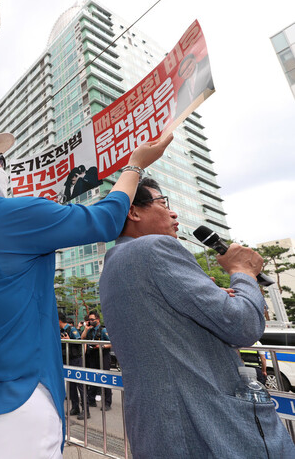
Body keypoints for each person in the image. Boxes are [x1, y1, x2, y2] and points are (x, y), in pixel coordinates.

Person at [0, 125, 172, 458]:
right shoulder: (6, 216)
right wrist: (134, 165)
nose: (3, 169)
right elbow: (106, 219)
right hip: (18, 409)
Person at [99, 177, 295, 458]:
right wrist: (243, 273)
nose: (173, 212)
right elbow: (243, 324)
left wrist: (215, 298)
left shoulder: (114, 264)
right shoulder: (155, 247)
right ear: (133, 212)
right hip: (211, 430)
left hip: (158, 431)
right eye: (163, 203)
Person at [80, 311, 112, 417]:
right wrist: (86, 328)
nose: (91, 321)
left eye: (93, 319)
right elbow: (82, 338)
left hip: (103, 356)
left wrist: (100, 346)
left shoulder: (103, 330)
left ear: (98, 319)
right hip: (92, 356)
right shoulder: (89, 330)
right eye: (89, 319)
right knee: (92, 378)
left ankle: (107, 403)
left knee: (105, 379)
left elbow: (111, 343)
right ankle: (91, 400)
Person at [59, 315, 84, 417]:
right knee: (71, 386)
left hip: (75, 360)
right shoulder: (59, 330)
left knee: (80, 385)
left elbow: (79, 342)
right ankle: (75, 408)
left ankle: (86, 410)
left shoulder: (72, 329)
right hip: (67, 360)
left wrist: (69, 339)